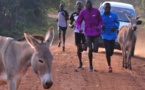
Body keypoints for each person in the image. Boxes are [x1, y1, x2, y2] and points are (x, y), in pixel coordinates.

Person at [76, 0, 103, 71]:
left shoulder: (96, 11)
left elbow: (101, 21)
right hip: (87, 33)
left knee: (95, 49)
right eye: (87, 3)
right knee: (90, 49)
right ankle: (91, 65)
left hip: (96, 33)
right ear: (85, 4)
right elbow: (78, 22)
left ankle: (94, 48)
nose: (88, 4)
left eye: (89, 3)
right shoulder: (83, 12)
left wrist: (99, 26)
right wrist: (79, 28)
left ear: (92, 4)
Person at [101, 3, 119, 72]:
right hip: (105, 35)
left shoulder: (114, 15)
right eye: (106, 8)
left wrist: (115, 27)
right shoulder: (101, 16)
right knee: (107, 50)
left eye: (108, 8)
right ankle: (109, 66)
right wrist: (101, 26)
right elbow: (98, 23)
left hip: (112, 35)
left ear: (110, 8)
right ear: (104, 8)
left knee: (111, 52)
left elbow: (117, 23)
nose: (107, 9)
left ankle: (109, 54)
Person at [69, 1, 87, 68]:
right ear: (76, 6)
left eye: (80, 5)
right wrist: (71, 25)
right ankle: (80, 62)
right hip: (77, 32)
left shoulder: (85, 13)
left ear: (82, 6)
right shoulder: (73, 14)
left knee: (84, 48)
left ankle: (83, 47)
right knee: (78, 48)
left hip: (85, 32)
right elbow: (70, 23)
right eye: (78, 5)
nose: (79, 6)